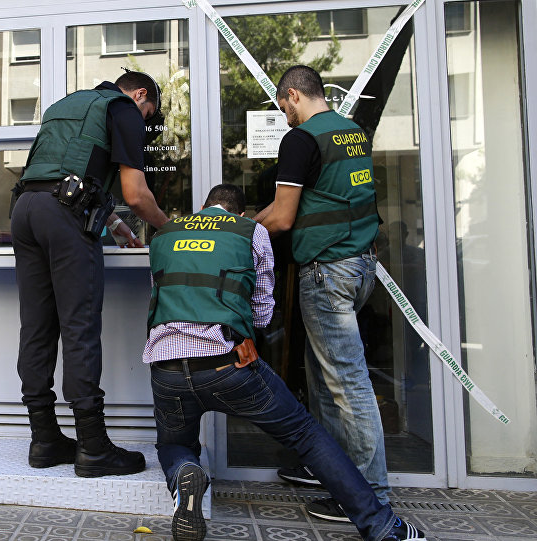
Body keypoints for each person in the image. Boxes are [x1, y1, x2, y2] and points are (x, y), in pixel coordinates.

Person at [147, 184, 424, 541]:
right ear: (240, 214)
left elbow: (161, 296)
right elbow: (262, 314)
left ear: (202, 209)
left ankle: (186, 471)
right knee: (305, 434)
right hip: (226, 365)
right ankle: (382, 527)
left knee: (174, 444)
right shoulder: (252, 231)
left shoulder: (165, 234)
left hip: (166, 368)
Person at [11, 70, 170, 477]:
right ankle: (94, 446)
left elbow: (64, 172)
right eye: (149, 112)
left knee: (37, 326)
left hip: (25, 212)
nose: (145, 121)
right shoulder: (125, 109)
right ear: (139, 94)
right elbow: (135, 193)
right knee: (79, 326)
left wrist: (114, 225)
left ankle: (44, 439)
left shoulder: (66, 105)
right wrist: (171, 231)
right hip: (62, 218)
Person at [255, 65, 388, 521]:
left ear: (293, 96)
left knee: (347, 384)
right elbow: (310, 201)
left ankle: (369, 495)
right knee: (323, 376)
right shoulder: (352, 132)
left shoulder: (301, 139)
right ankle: (330, 471)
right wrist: (251, 219)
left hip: (327, 272)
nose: (283, 116)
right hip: (360, 265)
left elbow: (285, 217)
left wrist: (238, 234)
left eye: (281, 106)